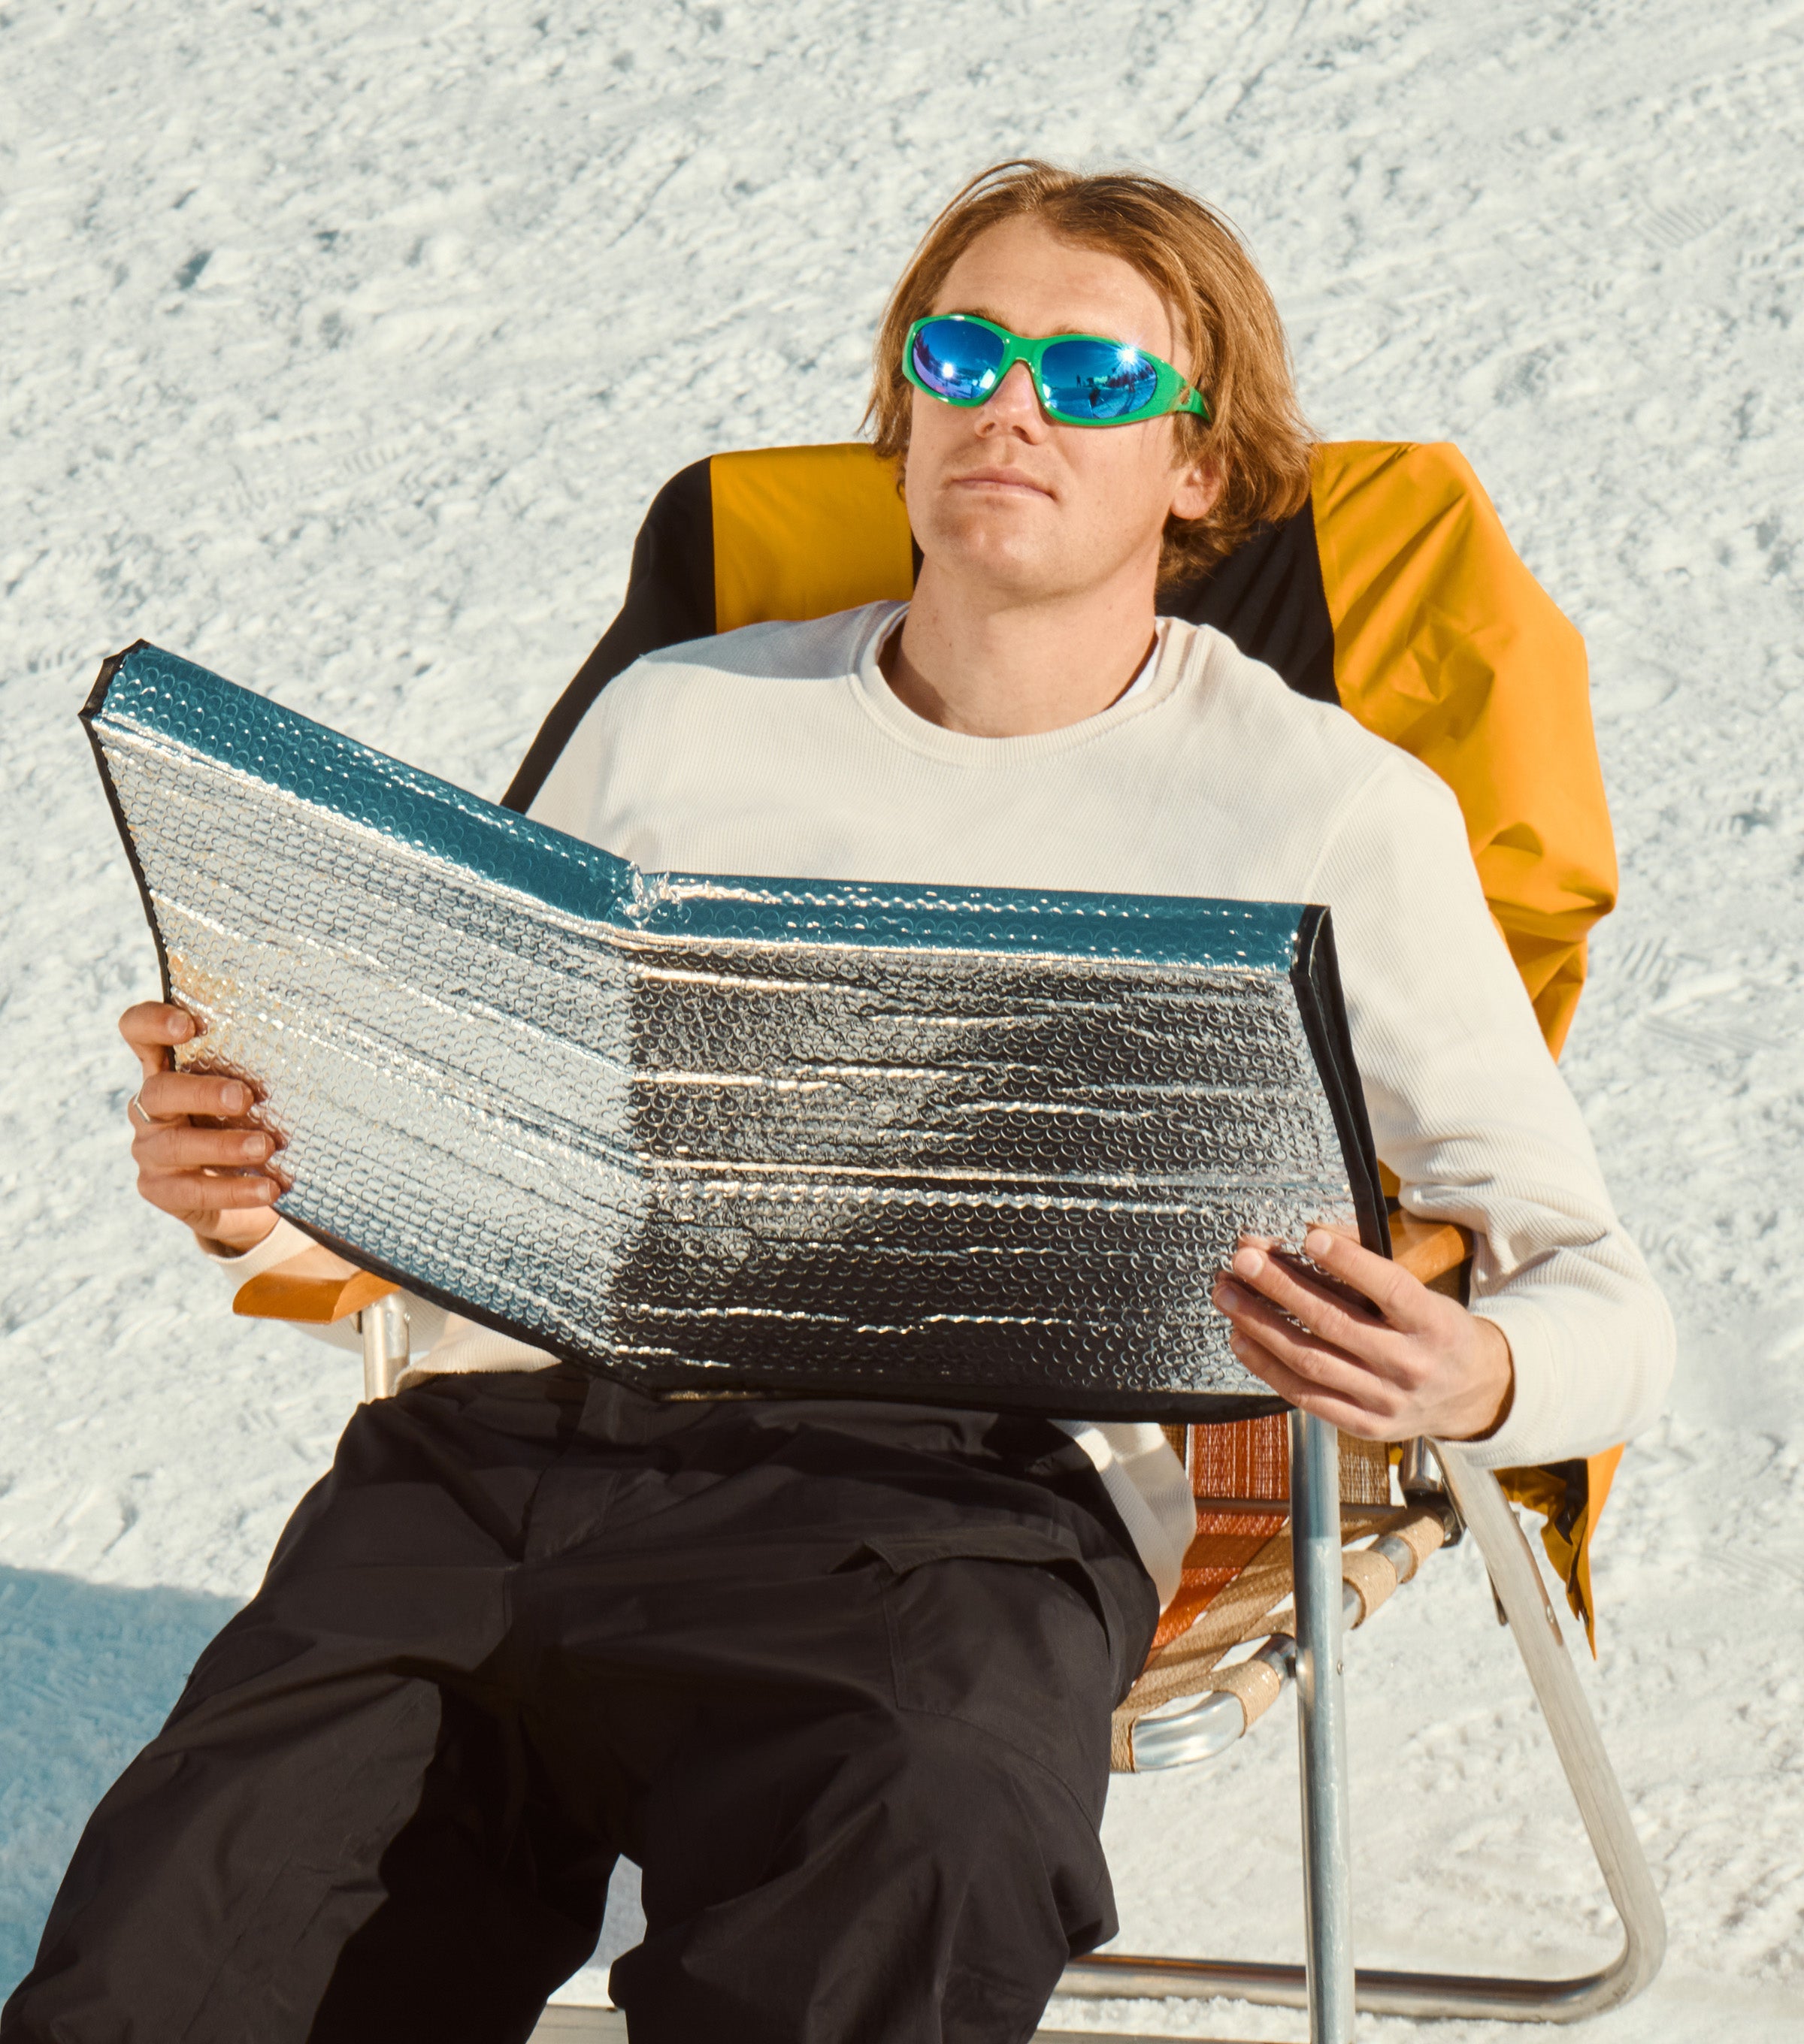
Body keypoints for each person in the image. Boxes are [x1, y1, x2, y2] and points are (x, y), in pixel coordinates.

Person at [5, 161, 1673, 2044]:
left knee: (908, 1872)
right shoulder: (686, 717)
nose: (1012, 406)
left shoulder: (1325, 809)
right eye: (958, 351)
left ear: (1202, 466)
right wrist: (256, 1177)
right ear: (900, 411)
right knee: (168, 1979)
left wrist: (1479, 1380)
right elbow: (508, 1117)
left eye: (1098, 378)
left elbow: (1596, 1283)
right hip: (507, 1468)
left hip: (956, 1516)